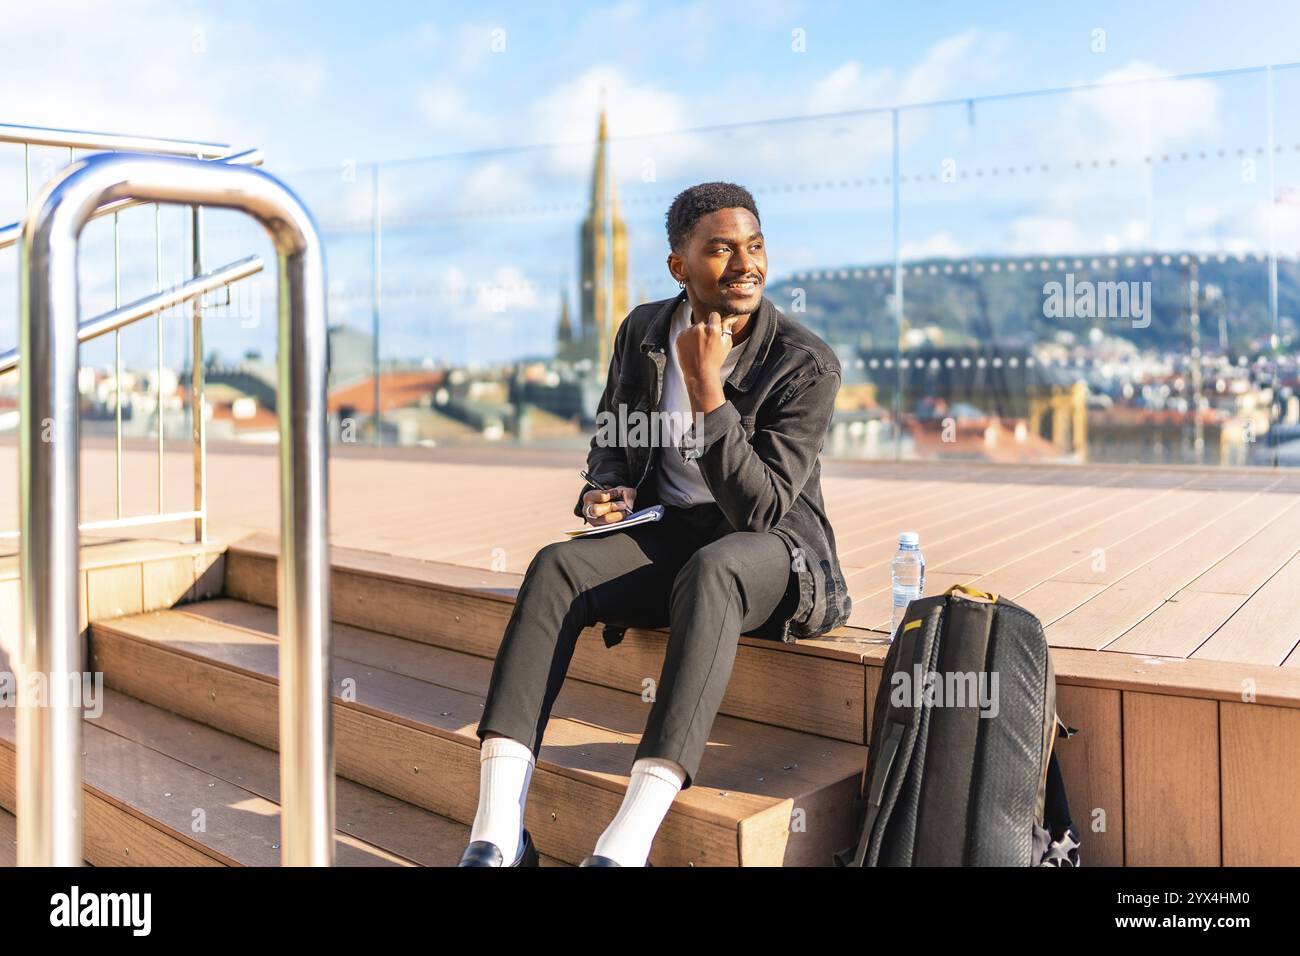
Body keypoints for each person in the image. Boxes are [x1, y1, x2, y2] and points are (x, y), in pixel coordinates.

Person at [457, 181, 852, 867]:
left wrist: (707, 391)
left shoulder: (802, 362)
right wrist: (602, 492)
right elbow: (613, 438)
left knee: (717, 566)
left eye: (754, 247)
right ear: (680, 266)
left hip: (772, 554)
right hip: (671, 531)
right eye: (721, 249)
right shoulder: (643, 331)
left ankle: (627, 843)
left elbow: (760, 509)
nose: (745, 265)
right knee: (557, 565)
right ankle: (495, 835)